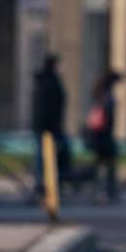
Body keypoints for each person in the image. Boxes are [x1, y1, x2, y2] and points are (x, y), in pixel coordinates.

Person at [31, 54, 71, 198]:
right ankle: (49, 185)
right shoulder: (52, 82)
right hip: (50, 127)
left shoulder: (42, 81)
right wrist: (54, 127)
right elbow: (51, 108)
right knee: (49, 157)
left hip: (43, 126)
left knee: (41, 157)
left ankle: (43, 184)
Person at [85, 70, 122, 202]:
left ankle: (101, 191)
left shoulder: (99, 93)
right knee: (109, 164)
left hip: (99, 135)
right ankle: (107, 191)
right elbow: (106, 117)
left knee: (100, 164)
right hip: (104, 135)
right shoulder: (107, 96)